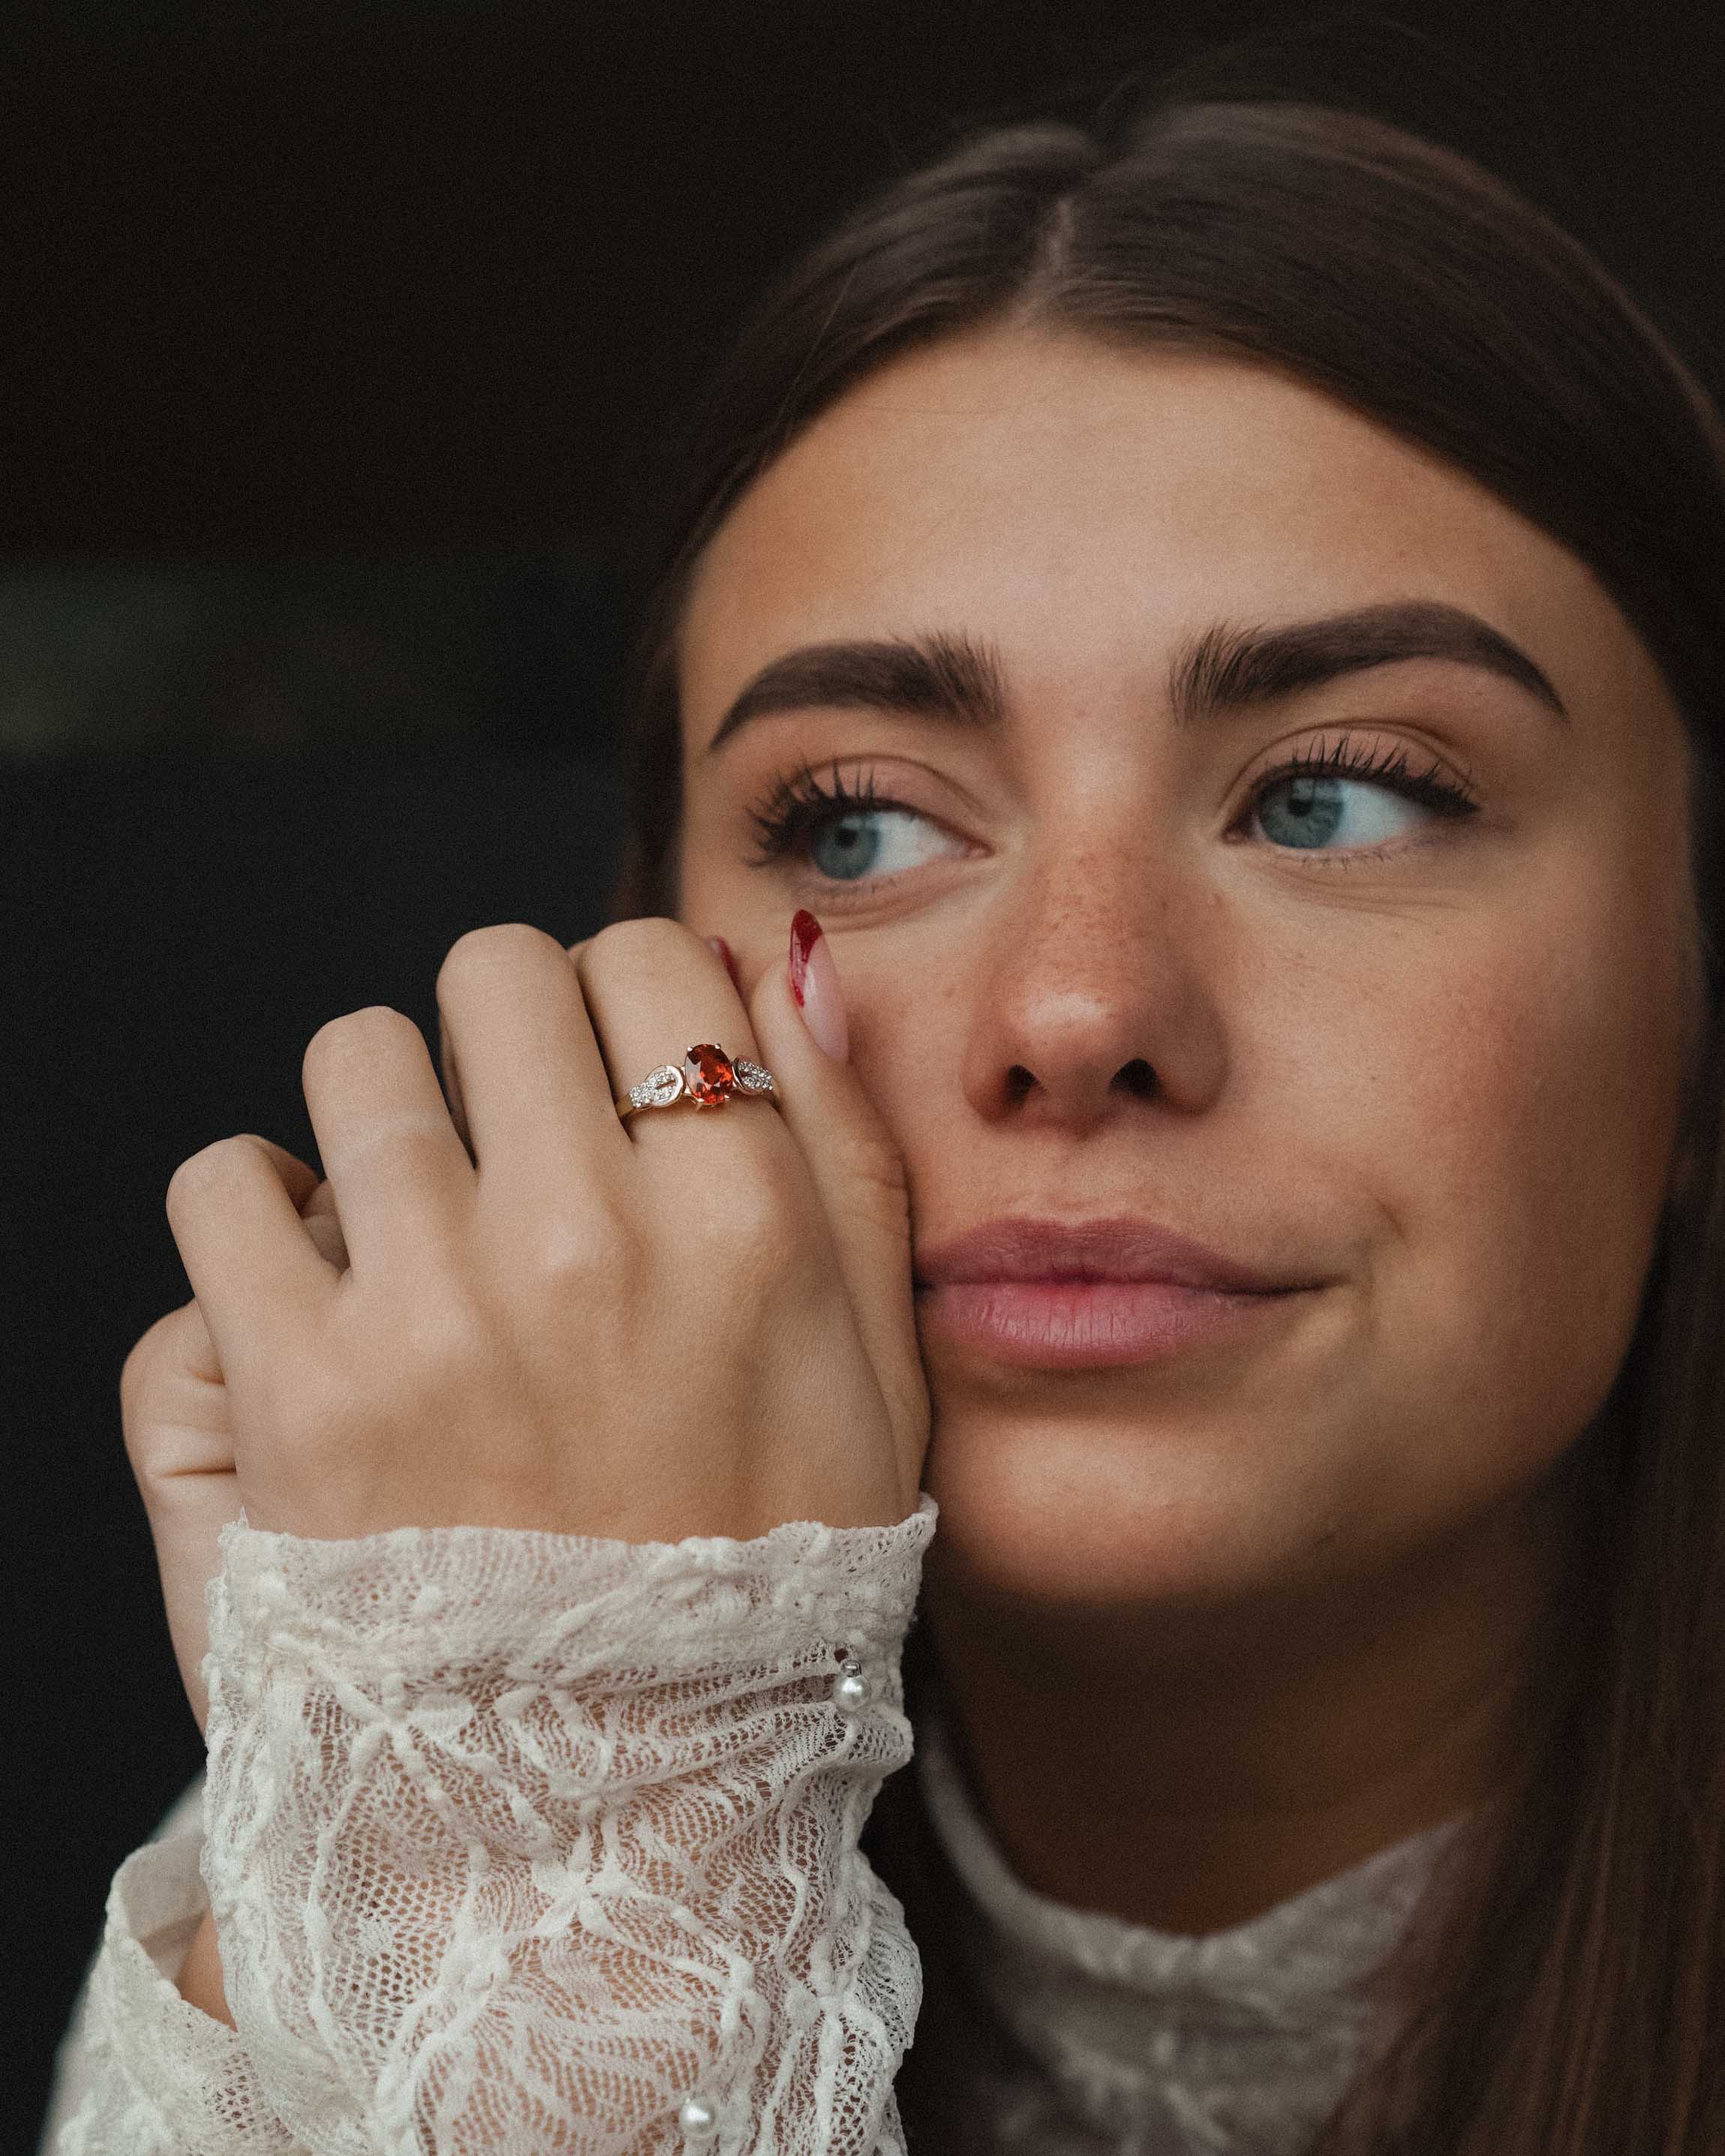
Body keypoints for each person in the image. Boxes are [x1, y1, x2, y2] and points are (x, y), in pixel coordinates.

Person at [42, 91, 1725, 2156]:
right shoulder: (417, 1843)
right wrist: (563, 1848)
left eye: (1339, 793)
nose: (1078, 1010)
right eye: (856, 819)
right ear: (654, 972)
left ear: (1695, 1002)